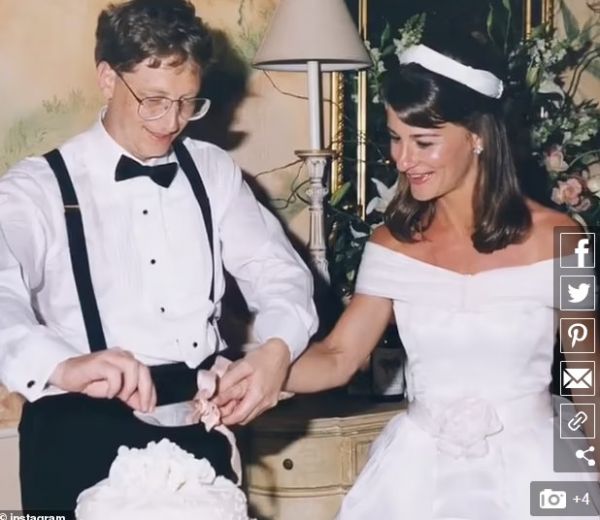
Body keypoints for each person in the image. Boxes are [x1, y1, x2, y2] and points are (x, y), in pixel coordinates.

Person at [217, 31, 600, 518]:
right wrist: (258, 369)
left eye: (423, 142)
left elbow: (589, 374)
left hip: (535, 471)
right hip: (419, 477)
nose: (403, 159)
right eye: (396, 139)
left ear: (478, 136)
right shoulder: (390, 245)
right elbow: (337, 356)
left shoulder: (563, 238)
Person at [0, 0, 317, 512]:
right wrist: (62, 365)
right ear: (108, 79)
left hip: (195, 432)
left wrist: (275, 350)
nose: (171, 122)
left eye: (187, 102)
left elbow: (280, 274)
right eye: (153, 100)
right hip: (76, 435)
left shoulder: (212, 172)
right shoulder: (37, 188)